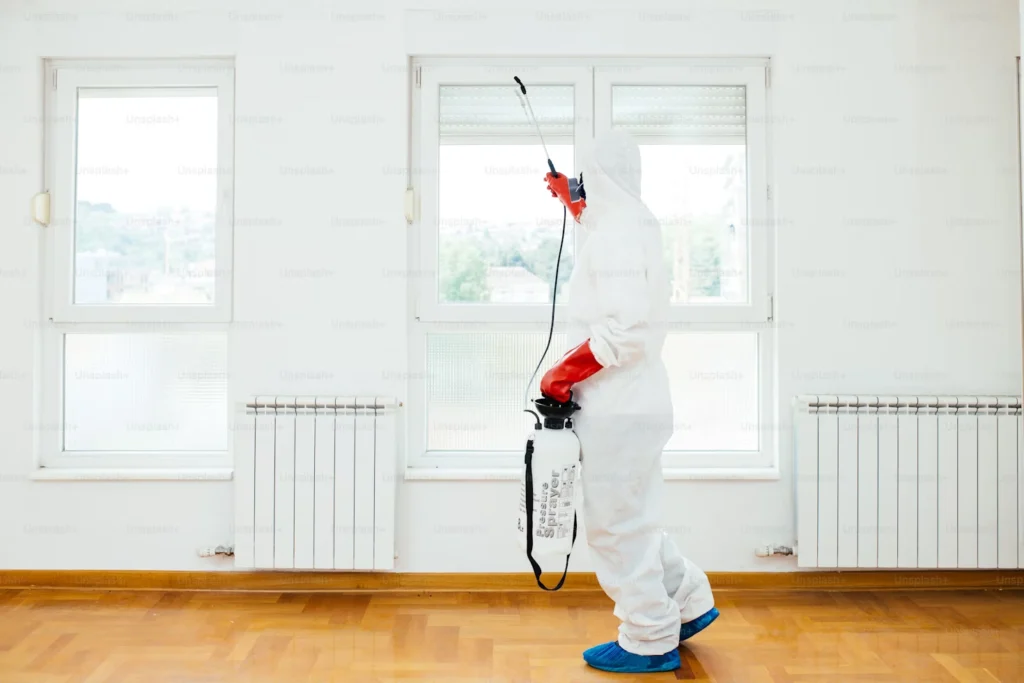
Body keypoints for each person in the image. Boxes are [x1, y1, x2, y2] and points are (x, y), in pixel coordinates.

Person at [539, 130, 718, 674]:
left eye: (584, 175)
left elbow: (624, 331)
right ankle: (687, 600)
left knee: (614, 527)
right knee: (636, 517)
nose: (581, 184)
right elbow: (608, 244)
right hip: (641, 402)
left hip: (618, 408)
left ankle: (648, 637)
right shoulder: (635, 222)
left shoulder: (616, 234)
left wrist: (561, 375)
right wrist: (576, 205)